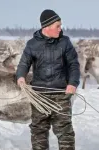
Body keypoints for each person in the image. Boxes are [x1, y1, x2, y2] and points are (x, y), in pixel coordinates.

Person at [15, 9, 80, 150]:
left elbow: (73, 65)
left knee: (65, 132)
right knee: (38, 131)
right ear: (47, 27)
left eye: (60, 25)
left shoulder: (65, 42)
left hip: (61, 95)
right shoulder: (32, 44)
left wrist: (72, 84)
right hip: (39, 97)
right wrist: (20, 77)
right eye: (57, 26)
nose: (60, 29)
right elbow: (23, 64)